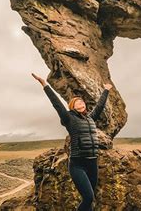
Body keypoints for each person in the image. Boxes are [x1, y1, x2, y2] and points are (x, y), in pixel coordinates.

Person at [31, 72, 112, 211]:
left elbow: (99, 106)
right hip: (78, 164)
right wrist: (45, 85)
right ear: (72, 107)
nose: (81, 103)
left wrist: (106, 90)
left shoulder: (90, 118)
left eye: (82, 101)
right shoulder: (69, 118)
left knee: (90, 200)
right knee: (88, 197)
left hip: (93, 162)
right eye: (77, 102)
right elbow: (56, 104)